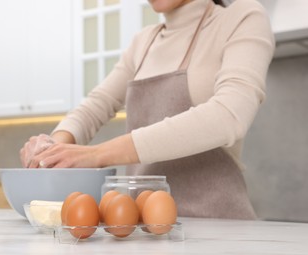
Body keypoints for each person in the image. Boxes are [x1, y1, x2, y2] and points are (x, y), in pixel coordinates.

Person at [20, 0, 274, 219]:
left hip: (220, 228)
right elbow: (96, 106)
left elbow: (229, 115)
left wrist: (97, 154)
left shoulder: (241, 17)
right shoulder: (143, 42)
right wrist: (51, 148)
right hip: (145, 228)